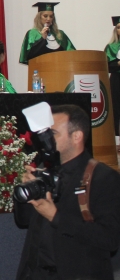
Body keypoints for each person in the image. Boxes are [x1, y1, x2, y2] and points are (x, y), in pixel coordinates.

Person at [14, 105, 120, 280]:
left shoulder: (103, 177)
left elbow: (110, 239)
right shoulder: (44, 170)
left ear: (76, 136)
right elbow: (23, 220)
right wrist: (25, 193)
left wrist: (56, 217)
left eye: (53, 133)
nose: (46, 139)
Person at [105, 16, 120, 133]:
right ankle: (116, 137)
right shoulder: (111, 46)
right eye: (119, 27)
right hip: (117, 79)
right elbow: (107, 65)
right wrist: (118, 63)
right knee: (116, 107)